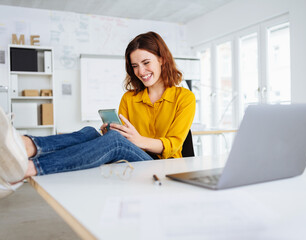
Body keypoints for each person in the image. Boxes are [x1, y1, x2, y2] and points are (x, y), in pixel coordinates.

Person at [0, 31, 196, 198]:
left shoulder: (184, 97)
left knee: (115, 142)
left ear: (162, 59)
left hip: (163, 166)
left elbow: (173, 145)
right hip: (134, 157)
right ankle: (26, 144)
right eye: (134, 66)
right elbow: (122, 139)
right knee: (90, 132)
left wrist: (137, 140)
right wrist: (112, 131)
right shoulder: (129, 98)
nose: (140, 71)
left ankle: (29, 168)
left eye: (146, 63)